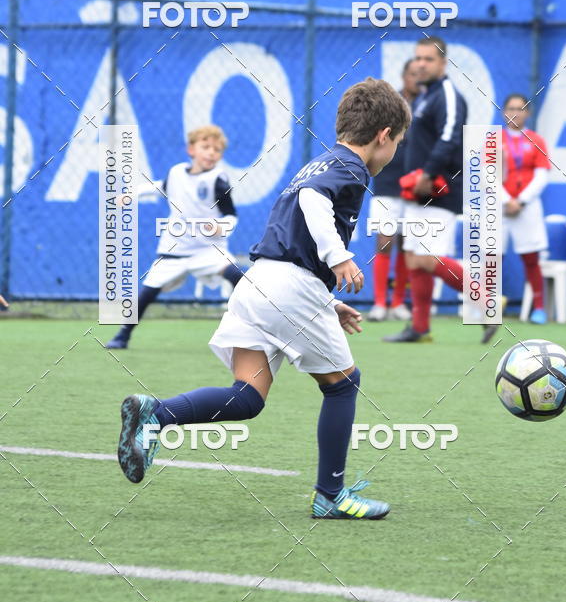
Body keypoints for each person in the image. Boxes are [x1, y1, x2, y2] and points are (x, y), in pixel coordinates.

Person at [116, 78, 411, 519]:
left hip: (261, 282)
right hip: (290, 288)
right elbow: (313, 202)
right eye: (398, 142)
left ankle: (155, 413)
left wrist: (326, 300)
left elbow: (294, 231)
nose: (394, 151)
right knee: (343, 385)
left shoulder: (317, 163)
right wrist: (339, 258)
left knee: (246, 397)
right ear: (384, 135)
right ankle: (330, 496)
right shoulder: (352, 166)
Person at [383, 36, 497, 344]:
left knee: (425, 259)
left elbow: (449, 138)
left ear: (443, 63)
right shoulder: (424, 97)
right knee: (412, 258)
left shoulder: (447, 95)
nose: (421, 64)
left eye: (428, 59)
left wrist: (428, 173)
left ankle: (485, 299)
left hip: (439, 190)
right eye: (418, 58)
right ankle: (419, 328)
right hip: (417, 192)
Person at [106, 125, 244, 350]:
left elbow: (231, 215)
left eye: (217, 150)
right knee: (149, 291)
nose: (211, 153)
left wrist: (222, 227)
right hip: (175, 249)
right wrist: (131, 194)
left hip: (208, 250)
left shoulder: (219, 180)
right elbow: (160, 186)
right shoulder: (177, 173)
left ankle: (253, 328)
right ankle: (123, 335)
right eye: (206, 147)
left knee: (239, 278)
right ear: (191, 149)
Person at [367, 59, 421, 322]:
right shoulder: (390, 106)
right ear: (403, 76)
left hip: (416, 187)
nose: (417, 78)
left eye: (420, 74)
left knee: (406, 244)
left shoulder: (429, 105)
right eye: (412, 74)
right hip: (387, 184)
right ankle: (380, 303)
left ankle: (398, 302)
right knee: (385, 242)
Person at [502, 93, 551, 325]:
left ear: (528, 113)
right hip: (498, 207)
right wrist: (505, 200)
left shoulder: (537, 140)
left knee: (531, 258)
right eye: (511, 108)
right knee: (491, 257)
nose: (515, 113)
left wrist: (520, 201)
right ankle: (485, 307)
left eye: (520, 109)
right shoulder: (493, 140)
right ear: (504, 112)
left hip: (527, 207)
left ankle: (539, 308)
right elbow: (486, 175)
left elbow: (542, 175)